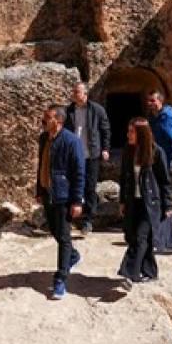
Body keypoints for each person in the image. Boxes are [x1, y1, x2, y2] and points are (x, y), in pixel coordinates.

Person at [35, 105, 86, 300]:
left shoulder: (72, 141)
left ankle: (60, 279)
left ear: (59, 121)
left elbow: (79, 173)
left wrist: (77, 201)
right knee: (55, 232)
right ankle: (72, 256)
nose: (43, 121)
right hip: (49, 193)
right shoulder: (43, 139)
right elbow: (41, 166)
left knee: (64, 238)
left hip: (64, 197)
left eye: (47, 118)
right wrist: (39, 190)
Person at [117, 118, 172, 283]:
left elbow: (165, 181)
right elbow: (124, 177)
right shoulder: (128, 150)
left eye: (131, 132)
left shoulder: (156, 152)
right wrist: (122, 201)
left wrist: (168, 205)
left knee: (140, 238)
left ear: (141, 134)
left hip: (151, 204)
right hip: (133, 202)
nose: (128, 135)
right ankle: (150, 271)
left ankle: (129, 273)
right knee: (138, 236)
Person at [63, 82, 111, 235]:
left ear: (85, 93)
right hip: (74, 155)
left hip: (91, 155)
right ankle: (72, 217)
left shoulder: (97, 110)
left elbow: (105, 130)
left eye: (78, 92)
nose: (75, 94)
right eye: (74, 92)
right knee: (73, 186)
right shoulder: (68, 111)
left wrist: (105, 148)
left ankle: (88, 221)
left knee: (90, 187)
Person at [145, 90, 172, 175]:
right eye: (149, 101)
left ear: (160, 101)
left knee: (165, 184)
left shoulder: (167, 117)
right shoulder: (151, 118)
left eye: (153, 101)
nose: (150, 103)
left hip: (166, 156)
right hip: (154, 156)